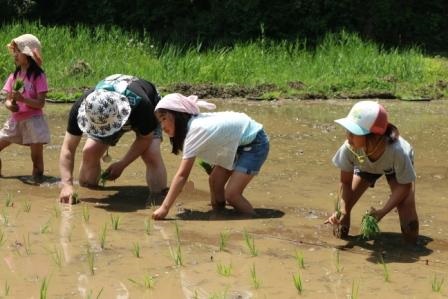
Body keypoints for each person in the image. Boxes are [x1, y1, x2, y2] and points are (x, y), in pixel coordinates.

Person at [151, 93, 270, 220]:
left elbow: (182, 175)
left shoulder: (195, 130)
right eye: (160, 121)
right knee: (215, 181)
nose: (162, 126)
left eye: (164, 119)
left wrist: (164, 208)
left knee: (232, 195)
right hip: (234, 142)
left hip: (255, 143)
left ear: (178, 115)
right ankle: (220, 214)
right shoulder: (192, 127)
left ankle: (253, 220)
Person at [59, 74, 167, 204]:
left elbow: (145, 138)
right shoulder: (82, 107)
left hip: (146, 108)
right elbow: (68, 148)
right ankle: (89, 188)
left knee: (151, 154)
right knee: (89, 151)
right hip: (108, 114)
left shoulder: (141, 104)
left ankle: (159, 199)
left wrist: (122, 164)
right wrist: (67, 185)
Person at [325, 100, 419, 244]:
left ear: (374, 136)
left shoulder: (398, 151)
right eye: (347, 131)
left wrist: (383, 211)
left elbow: (404, 186)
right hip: (365, 165)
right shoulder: (349, 148)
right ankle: (341, 240)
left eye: (353, 133)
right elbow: (345, 182)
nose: (348, 137)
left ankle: (411, 246)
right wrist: (343, 209)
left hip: (393, 168)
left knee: (405, 203)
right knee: (344, 203)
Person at [0, 34, 50, 183]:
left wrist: (23, 99)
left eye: (18, 51)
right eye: (14, 51)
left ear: (27, 55)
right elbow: (7, 101)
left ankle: (37, 182)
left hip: (34, 122)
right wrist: (12, 106)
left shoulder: (38, 76)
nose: (14, 54)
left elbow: (40, 104)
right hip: (15, 121)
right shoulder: (14, 76)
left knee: (36, 160)